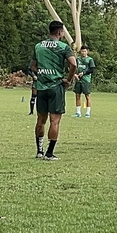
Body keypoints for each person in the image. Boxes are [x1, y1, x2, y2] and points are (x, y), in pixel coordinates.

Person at [33, 20, 76, 160]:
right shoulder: (63, 47)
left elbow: (33, 66)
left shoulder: (38, 46)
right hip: (56, 86)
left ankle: (39, 151)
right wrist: (68, 80)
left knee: (40, 120)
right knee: (55, 121)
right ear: (59, 32)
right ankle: (49, 153)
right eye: (63, 31)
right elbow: (73, 64)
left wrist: (41, 74)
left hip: (41, 87)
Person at [73, 46, 95, 118]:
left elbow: (92, 70)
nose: (83, 53)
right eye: (82, 51)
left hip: (86, 80)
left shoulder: (90, 59)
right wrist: (75, 74)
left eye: (85, 51)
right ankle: (78, 112)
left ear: (87, 52)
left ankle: (88, 112)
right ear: (80, 52)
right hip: (78, 80)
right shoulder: (78, 59)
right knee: (77, 95)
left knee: (87, 96)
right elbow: (74, 68)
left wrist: (84, 73)